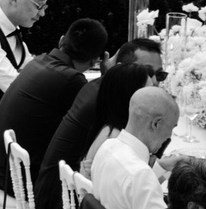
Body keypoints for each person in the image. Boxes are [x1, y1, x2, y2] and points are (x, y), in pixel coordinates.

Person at [0, 17, 108, 209]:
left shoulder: (39, 61)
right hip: (19, 179)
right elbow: (95, 117)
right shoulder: (72, 81)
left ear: (62, 40)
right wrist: (107, 77)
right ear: (95, 61)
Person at [41, 37, 164, 193]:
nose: (154, 82)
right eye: (147, 72)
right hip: (66, 196)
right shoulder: (112, 105)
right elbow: (128, 183)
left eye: (160, 75)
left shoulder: (104, 87)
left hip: (69, 185)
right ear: (122, 69)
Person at [90, 85, 179, 209]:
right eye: (172, 127)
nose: (170, 136)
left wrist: (162, 167)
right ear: (156, 124)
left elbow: (129, 190)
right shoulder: (139, 174)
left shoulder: (108, 147)